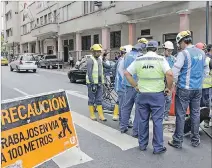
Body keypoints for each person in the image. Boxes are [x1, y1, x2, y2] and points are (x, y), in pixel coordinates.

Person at [124, 40, 173, 154]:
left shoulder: (139, 59)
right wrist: (168, 88)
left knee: (143, 120)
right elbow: (170, 74)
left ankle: (142, 144)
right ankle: (158, 147)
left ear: (146, 48)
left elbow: (127, 73)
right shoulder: (161, 59)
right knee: (157, 121)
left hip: (142, 94)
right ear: (156, 49)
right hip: (157, 95)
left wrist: (135, 85)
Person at [168, 30, 209, 149]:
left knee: (180, 115)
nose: (179, 46)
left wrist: (174, 83)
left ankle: (177, 141)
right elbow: (206, 70)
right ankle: (195, 140)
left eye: (179, 43)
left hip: (184, 89)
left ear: (182, 41)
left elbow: (174, 72)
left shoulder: (183, 54)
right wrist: (199, 81)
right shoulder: (202, 53)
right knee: (195, 114)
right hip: (197, 89)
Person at [120, 39, 148, 136]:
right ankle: (136, 131)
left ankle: (123, 126)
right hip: (138, 86)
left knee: (126, 106)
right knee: (138, 109)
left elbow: (124, 68)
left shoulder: (127, 55)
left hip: (128, 84)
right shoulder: (141, 56)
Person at [86, 44, 107, 121]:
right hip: (92, 84)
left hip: (99, 83)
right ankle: (92, 115)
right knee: (91, 99)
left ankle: (101, 115)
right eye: (97, 52)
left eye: (99, 52)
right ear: (93, 52)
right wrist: (92, 84)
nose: (99, 53)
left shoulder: (100, 60)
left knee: (99, 99)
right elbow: (89, 73)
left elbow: (105, 67)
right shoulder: (90, 60)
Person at [113, 45, 132, 121]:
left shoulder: (122, 61)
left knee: (123, 104)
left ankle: (124, 120)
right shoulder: (123, 61)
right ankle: (124, 121)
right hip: (122, 87)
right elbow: (123, 75)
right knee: (124, 105)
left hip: (121, 86)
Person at [195, 42, 212, 128]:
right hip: (201, 86)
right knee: (200, 105)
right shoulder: (206, 59)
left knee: (204, 105)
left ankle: (205, 121)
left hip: (204, 86)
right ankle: (199, 122)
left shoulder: (207, 60)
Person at [162, 41, 176, 121]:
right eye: (168, 50)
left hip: (169, 81)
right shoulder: (161, 58)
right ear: (164, 49)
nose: (170, 52)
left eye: (171, 51)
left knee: (168, 99)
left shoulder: (173, 59)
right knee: (160, 98)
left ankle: (166, 114)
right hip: (161, 81)